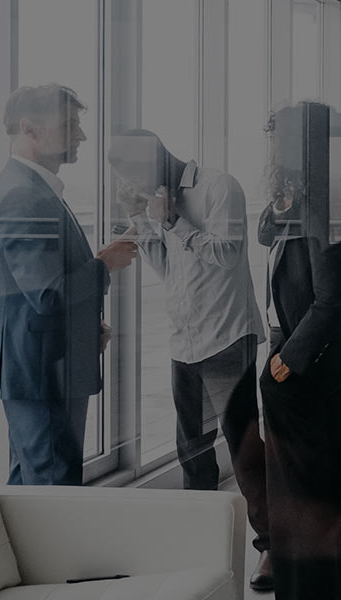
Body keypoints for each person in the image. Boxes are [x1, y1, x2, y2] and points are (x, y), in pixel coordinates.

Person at [106, 129, 274, 567]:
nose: (135, 189)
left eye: (133, 178)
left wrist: (172, 222)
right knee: (193, 451)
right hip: (185, 340)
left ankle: (274, 548)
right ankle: (200, 548)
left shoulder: (220, 186)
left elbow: (228, 253)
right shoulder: (160, 202)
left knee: (243, 450)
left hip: (226, 336)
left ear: (154, 159)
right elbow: (170, 270)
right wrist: (144, 221)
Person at [257, 100, 341, 598]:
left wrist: (285, 363)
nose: (272, 151)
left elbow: (330, 299)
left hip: (307, 358)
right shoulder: (331, 193)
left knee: (300, 490)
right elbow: (266, 231)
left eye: (278, 141)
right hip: (330, 354)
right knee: (338, 478)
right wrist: (281, 198)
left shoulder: (320, 203)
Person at [0, 84, 138, 486]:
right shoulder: (23, 196)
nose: (81, 136)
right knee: (53, 490)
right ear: (30, 129)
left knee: (33, 487)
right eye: (69, 125)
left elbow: (35, 294)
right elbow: (47, 295)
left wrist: (83, 328)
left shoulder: (32, 189)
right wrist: (104, 264)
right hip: (43, 375)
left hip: (42, 368)